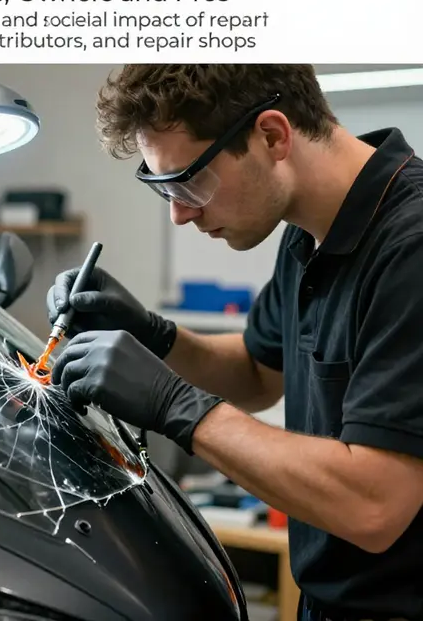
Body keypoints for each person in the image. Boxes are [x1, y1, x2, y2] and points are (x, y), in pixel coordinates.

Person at [47, 65, 423, 621]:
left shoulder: (410, 247)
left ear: (272, 135)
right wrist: (153, 334)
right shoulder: (309, 228)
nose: (179, 213)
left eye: (188, 181)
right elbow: (255, 372)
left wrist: (174, 404)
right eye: (164, 188)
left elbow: (374, 504)